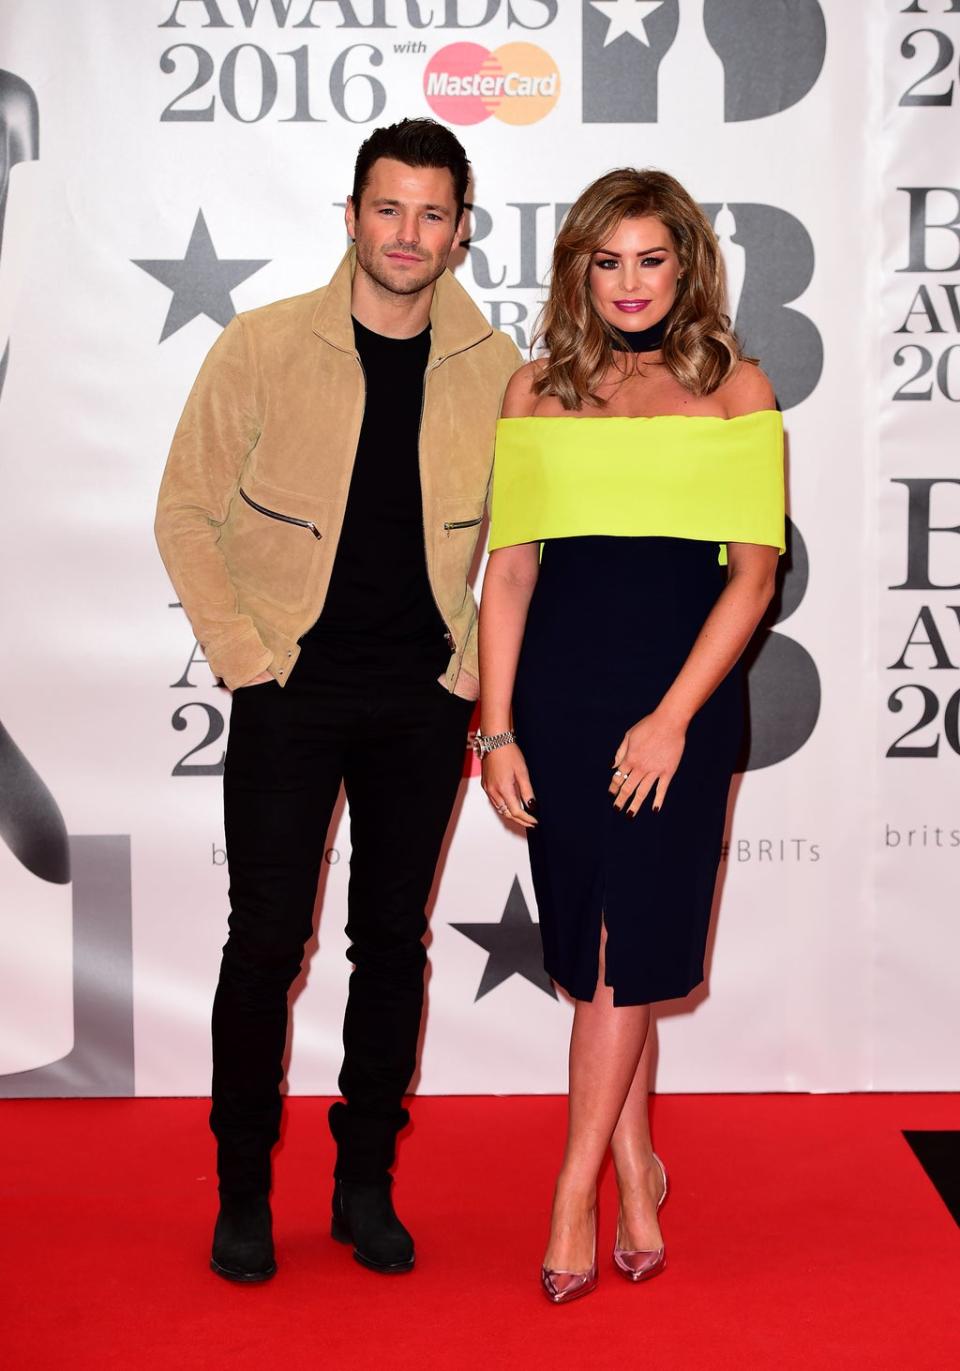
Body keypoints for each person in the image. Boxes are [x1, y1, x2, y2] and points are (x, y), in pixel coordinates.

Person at [155, 118, 520, 1283]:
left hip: (425, 700)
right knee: (264, 943)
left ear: (460, 233)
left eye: (431, 213)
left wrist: (469, 674)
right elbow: (185, 514)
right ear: (351, 216)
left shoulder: (499, 369)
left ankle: (365, 1180)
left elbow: (522, 540)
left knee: (390, 946)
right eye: (387, 208)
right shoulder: (261, 348)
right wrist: (248, 658)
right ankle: (242, 1191)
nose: (406, 234)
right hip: (291, 690)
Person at [476, 168, 784, 1304]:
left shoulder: (734, 389)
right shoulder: (536, 392)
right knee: (608, 956)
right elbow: (510, 574)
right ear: (578, 272)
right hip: (559, 699)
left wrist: (669, 718)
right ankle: (641, 1172)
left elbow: (754, 579)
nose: (631, 284)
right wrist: (494, 731)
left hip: (683, 705)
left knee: (619, 954)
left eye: (652, 260)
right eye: (608, 262)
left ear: (687, 265)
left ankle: (574, 1190)